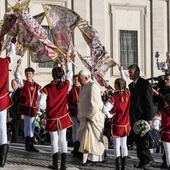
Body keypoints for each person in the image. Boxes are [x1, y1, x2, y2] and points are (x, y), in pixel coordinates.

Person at [38, 57, 73, 170]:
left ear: (52, 75)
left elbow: (41, 103)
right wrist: (67, 62)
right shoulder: (65, 85)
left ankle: (55, 164)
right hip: (63, 115)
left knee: (54, 139)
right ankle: (63, 164)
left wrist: (46, 109)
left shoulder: (47, 88)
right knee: (63, 139)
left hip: (52, 116)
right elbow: (70, 75)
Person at [127, 64, 154, 169]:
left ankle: (148, 159)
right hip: (134, 117)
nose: (129, 74)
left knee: (143, 139)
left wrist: (149, 118)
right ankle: (142, 160)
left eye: (131, 72)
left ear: (137, 73)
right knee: (137, 139)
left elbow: (148, 102)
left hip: (142, 116)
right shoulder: (131, 85)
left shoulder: (144, 84)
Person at [77, 70, 105, 166]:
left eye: (80, 79)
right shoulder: (84, 86)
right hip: (85, 117)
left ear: (86, 78)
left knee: (92, 140)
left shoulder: (93, 86)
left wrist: (90, 116)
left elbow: (95, 104)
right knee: (85, 139)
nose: (79, 81)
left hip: (93, 118)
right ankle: (87, 158)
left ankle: (93, 159)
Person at [102, 78, 131, 170]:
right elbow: (125, 82)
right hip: (126, 123)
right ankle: (124, 166)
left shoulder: (113, 97)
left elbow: (104, 109)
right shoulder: (127, 94)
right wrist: (122, 71)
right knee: (124, 144)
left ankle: (118, 166)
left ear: (117, 86)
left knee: (116, 145)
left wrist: (110, 115)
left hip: (117, 123)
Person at [14, 59, 41, 152]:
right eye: (27, 74)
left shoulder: (37, 86)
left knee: (32, 126)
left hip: (33, 108)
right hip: (25, 108)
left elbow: (39, 98)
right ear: (25, 75)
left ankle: (31, 144)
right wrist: (18, 66)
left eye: (30, 74)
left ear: (33, 74)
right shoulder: (23, 83)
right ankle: (27, 144)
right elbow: (17, 75)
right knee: (28, 125)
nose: (28, 76)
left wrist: (39, 109)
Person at [0, 37, 16, 167]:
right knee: (2, 128)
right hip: (2, 98)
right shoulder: (5, 62)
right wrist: (12, 44)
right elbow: (12, 55)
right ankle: (2, 159)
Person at [152, 73, 170, 168]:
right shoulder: (163, 88)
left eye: (167, 79)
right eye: (165, 79)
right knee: (165, 146)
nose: (165, 81)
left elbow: (167, 100)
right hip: (162, 115)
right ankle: (165, 162)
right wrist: (155, 94)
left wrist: (159, 95)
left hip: (167, 118)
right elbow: (156, 100)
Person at [67, 74, 82, 158]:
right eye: (75, 79)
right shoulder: (71, 88)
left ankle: (80, 146)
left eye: (77, 79)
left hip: (81, 112)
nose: (76, 81)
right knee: (75, 130)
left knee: (80, 130)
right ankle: (75, 147)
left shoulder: (83, 88)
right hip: (73, 111)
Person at [157, 94, 170, 169]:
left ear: (165, 102)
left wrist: (159, 128)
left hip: (165, 133)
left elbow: (155, 124)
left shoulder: (162, 111)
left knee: (168, 152)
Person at [9, 79, 24, 143]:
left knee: (18, 127)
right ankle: (13, 140)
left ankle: (14, 140)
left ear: (17, 84)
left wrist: (22, 113)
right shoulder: (13, 92)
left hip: (18, 113)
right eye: (12, 84)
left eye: (14, 84)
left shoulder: (19, 91)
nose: (13, 85)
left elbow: (21, 102)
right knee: (19, 127)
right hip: (14, 113)